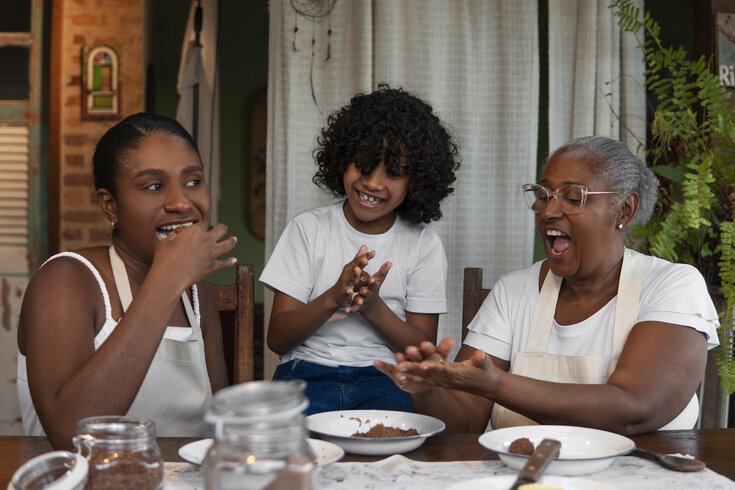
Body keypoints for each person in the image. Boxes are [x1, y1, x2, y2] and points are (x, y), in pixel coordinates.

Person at [377, 135, 720, 435]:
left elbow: (634, 408)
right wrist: (428, 388)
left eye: (573, 197)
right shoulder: (514, 292)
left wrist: (497, 383)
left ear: (625, 211)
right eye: (543, 194)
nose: (548, 211)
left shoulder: (672, 285)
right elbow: (463, 424)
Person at [16, 113, 238, 449]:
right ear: (110, 206)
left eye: (193, 181)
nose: (181, 202)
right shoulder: (67, 280)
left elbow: (221, 429)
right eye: (153, 186)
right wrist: (167, 280)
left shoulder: (196, 295)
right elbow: (71, 434)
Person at [260, 84, 461, 415]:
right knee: (290, 452)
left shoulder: (424, 245)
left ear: (417, 182)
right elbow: (278, 340)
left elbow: (422, 351)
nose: (373, 183)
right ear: (343, 157)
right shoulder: (307, 229)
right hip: (305, 374)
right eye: (365, 165)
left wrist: (373, 307)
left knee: (394, 448)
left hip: (385, 377)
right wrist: (333, 297)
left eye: (394, 173)